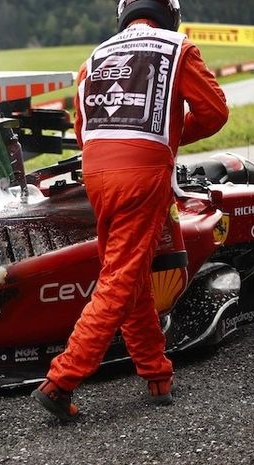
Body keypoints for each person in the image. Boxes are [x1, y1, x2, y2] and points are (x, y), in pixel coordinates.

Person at [32, 0, 228, 421]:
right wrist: (171, 136)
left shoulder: (94, 58)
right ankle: (60, 380)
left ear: (123, 13)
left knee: (132, 270)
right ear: (169, 12)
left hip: (97, 174)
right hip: (142, 175)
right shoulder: (179, 47)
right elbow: (215, 112)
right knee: (120, 278)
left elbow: (82, 129)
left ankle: (157, 375)